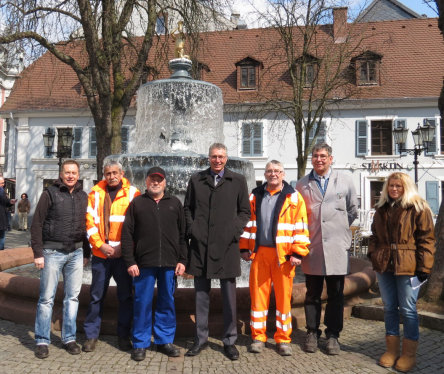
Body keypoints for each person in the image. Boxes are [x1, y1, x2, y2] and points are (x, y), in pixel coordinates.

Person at [184, 143, 250, 360]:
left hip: (227, 246)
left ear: (226, 158)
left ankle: (230, 341)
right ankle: (200, 339)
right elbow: (188, 208)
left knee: (230, 296)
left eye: (221, 157)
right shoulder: (196, 179)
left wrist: (234, 231)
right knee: (201, 296)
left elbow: (244, 211)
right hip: (201, 245)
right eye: (214, 156)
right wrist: (194, 229)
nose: (217, 160)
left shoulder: (237, 180)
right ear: (208, 157)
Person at [239, 160, 310, 356]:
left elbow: (301, 226)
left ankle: (283, 339)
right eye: (270, 171)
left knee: (283, 300)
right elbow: (247, 223)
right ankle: (258, 337)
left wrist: (298, 252)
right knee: (258, 298)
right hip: (260, 252)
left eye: (277, 171)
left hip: (284, 257)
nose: (273, 174)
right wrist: (244, 247)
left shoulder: (294, 197)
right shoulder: (255, 195)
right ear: (265, 173)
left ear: (283, 174)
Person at [368, 172, 435, 372]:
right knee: (389, 307)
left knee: (407, 309)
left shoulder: (418, 207)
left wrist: (424, 267)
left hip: (409, 264)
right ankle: (391, 351)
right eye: (391, 186)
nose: (394, 189)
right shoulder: (381, 208)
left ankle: (408, 354)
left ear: (406, 187)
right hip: (384, 264)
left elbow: (427, 239)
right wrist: (373, 254)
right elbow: (374, 235)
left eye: (398, 186)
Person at [296, 143, 358, 355]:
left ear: (331, 158)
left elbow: (352, 210)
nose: (318, 159)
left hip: (337, 247)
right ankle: (312, 331)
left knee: (336, 294)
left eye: (323, 156)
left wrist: (337, 230)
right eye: (315, 156)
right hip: (312, 247)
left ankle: (333, 335)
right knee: (312, 293)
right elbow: (299, 216)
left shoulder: (345, 181)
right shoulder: (302, 184)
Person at [121, 167, 187, 361]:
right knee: (142, 303)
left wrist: (183, 260)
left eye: (159, 180)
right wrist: (130, 261)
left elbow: (183, 235)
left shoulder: (175, 203)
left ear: (165, 182)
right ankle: (140, 343)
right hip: (143, 264)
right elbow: (127, 235)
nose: (155, 183)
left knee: (167, 302)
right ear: (146, 181)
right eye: (152, 179)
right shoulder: (137, 204)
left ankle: (164, 340)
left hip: (169, 263)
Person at [30, 160, 89, 359]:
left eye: (74, 172)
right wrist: (38, 253)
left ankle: (69, 338)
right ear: (61, 174)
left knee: (72, 298)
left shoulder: (83, 196)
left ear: (78, 174)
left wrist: (86, 253)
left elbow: (87, 227)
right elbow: (37, 223)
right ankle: (42, 340)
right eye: (67, 172)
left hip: (76, 253)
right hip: (52, 252)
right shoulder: (50, 194)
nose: (71, 175)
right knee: (46, 298)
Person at [83, 160, 140, 352]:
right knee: (96, 296)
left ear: (122, 173)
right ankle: (91, 335)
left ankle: (124, 336)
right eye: (108, 173)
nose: (112, 176)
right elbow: (89, 223)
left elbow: (138, 225)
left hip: (123, 255)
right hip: (101, 254)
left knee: (125, 296)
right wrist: (101, 245)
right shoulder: (95, 193)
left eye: (115, 173)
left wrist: (122, 248)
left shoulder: (133, 193)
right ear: (103, 175)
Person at [0, 177, 16, 248]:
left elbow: (5, 202)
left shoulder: (2, 191)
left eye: (3, 183)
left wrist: (10, 202)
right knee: (1, 237)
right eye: (2, 183)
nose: (3, 185)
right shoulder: (1, 192)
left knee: (2, 236)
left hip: (2, 217)